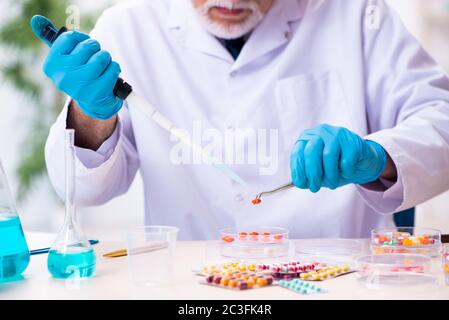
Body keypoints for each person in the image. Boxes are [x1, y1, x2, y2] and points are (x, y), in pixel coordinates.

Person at [42, 0, 449, 240]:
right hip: (188, 288)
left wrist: (379, 156)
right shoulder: (130, 26)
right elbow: (80, 188)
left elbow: (441, 119)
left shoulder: (357, 14)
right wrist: (88, 112)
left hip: (339, 280)